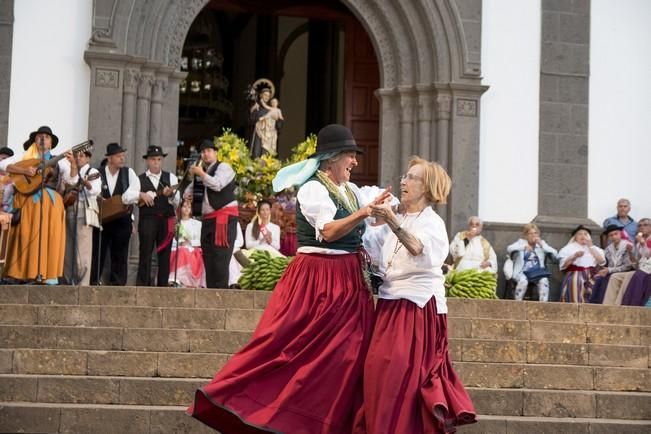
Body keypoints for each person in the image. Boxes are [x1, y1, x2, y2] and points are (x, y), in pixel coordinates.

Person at [187, 124, 390, 433]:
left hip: (351, 280)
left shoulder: (351, 190)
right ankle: (268, 410)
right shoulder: (312, 189)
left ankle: (339, 422)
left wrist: (384, 212)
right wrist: (364, 214)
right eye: (350, 155)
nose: (355, 162)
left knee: (349, 355)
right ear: (331, 158)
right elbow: (328, 231)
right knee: (297, 350)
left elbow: (367, 221)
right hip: (320, 279)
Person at [354, 157, 476, 434]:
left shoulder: (432, 222)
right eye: (404, 176)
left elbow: (419, 249)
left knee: (399, 378)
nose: (403, 181)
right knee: (376, 373)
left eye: (412, 177)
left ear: (427, 187)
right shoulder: (403, 216)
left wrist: (392, 221)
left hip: (416, 309)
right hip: (388, 303)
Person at [1, 126, 73, 284]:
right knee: (25, 235)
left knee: (50, 237)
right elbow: (3, 165)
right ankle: (23, 274)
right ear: (35, 140)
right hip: (28, 202)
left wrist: (73, 164)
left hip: (51, 205)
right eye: (40, 136)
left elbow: (72, 181)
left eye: (46, 137)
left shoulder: (60, 162)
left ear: (51, 143)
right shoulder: (26, 157)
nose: (43, 139)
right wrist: (26, 172)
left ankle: (47, 276)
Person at [185, 139, 239, 288]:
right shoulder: (203, 172)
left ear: (215, 153)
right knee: (208, 258)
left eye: (209, 151)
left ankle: (220, 295)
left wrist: (201, 173)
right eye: (203, 152)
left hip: (224, 218)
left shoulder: (224, 167)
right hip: (208, 220)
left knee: (220, 258)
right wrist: (188, 195)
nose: (205, 154)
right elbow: (187, 192)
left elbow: (217, 184)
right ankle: (211, 293)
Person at [90, 142, 140, 285]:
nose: (122, 159)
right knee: (98, 252)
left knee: (120, 253)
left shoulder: (128, 173)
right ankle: (94, 281)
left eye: (123, 156)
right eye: (119, 156)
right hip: (103, 218)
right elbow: (93, 193)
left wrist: (131, 220)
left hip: (122, 219)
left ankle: (117, 284)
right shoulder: (97, 172)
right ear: (109, 158)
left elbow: (134, 193)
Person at [136, 145, 180, 286]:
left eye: (159, 159)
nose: (156, 162)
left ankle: (162, 287)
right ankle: (143, 286)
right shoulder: (139, 179)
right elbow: (128, 197)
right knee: (145, 252)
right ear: (147, 161)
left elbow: (177, 201)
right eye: (153, 159)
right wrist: (140, 194)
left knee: (165, 255)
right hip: (148, 219)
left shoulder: (170, 177)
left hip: (166, 220)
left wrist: (171, 195)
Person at [61, 149, 101, 286]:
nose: (78, 158)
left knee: (83, 249)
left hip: (84, 209)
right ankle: (67, 279)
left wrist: (87, 184)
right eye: (76, 156)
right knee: (68, 248)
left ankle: (82, 283)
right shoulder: (70, 170)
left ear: (88, 158)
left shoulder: (93, 172)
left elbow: (96, 190)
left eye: (82, 156)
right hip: (70, 208)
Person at [506, 223, 558, 302]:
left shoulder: (541, 243)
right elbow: (509, 249)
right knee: (523, 281)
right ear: (526, 235)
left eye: (535, 233)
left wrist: (542, 245)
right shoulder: (521, 243)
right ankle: (517, 303)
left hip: (537, 272)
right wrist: (524, 247)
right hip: (522, 272)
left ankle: (543, 305)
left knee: (544, 280)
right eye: (530, 233)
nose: (533, 235)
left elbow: (555, 253)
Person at [558, 225, 606, 303]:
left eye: (585, 234)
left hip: (592, 273)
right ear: (575, 237)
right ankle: (575, 306)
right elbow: (563, 265)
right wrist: (574, 256)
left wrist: (591, 247)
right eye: (580, 234)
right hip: (576, 272)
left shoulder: (594, 248)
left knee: (599, 281)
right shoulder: (568, 248)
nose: (583, 236)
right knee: (576, 281)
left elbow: (601, 261)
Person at [589, 225, 635, 304]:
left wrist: (609, 270)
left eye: (616, 234)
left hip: (625, 272)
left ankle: (607, 305)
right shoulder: (608, 249)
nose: (614, 237)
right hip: (612, 272)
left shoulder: (627, 246)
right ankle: (595, 304)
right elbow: (607, 264)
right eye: (611, 235)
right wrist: (603, 271)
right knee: (598, 279)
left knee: (607, 280)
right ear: (609, 237)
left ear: (620, 234)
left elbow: (628, 266)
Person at [168, 199, 205, 288]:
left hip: (192, 249)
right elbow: (171, 239)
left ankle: (177, 279)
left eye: (189, 207)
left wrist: (190, 240)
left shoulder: (197, 224)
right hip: (177, 248)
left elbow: (200, 240)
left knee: (183, 251)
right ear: (180, 208)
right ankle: (175, 279)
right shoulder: (176, 224)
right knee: (179, 251)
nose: (187, 209)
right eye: (184, 206)